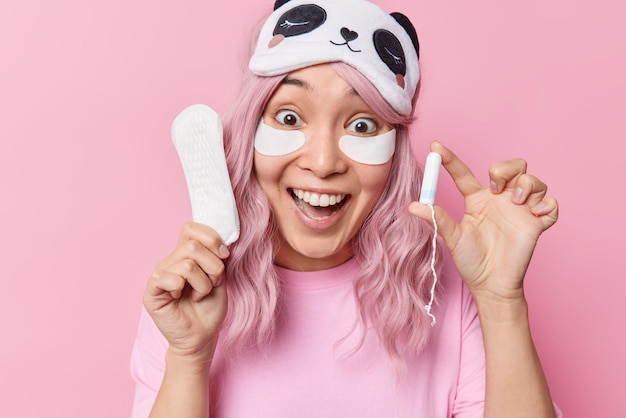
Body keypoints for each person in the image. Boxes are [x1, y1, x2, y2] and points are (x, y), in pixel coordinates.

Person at [130, 0, 562, 416]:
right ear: (249, 132)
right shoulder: (190, 297)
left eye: (361, 125)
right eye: (289, 118)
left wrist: (502, 301)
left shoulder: (441, 294)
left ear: (395, 155)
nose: (323, 163)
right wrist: (189, 357)